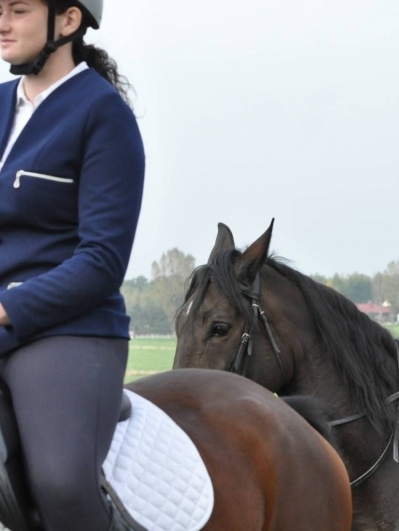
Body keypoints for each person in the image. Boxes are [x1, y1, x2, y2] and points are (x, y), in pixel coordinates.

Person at [0, 0, 145, 529]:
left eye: (17, 9)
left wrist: (5, 308)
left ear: (68, 20)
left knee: (60, 482)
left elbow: (102, 260)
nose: (2, 22)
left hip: (67, 330)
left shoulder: (103, 114)